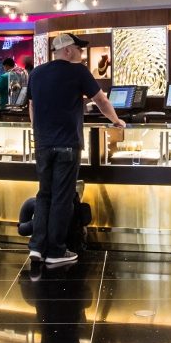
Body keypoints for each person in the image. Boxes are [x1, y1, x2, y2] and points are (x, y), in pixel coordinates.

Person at [27, 33, 122, 269]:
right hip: (67, 144)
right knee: (62, 197)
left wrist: (38, 131)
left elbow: (31, 106)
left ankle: (37, 247)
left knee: (44, 194)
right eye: (79, 50)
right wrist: (116, 121)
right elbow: (101, 101)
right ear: (68, 51)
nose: (81, 54)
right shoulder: (77, 71)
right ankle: (57, 251)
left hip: (43, 144)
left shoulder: (36, 73)